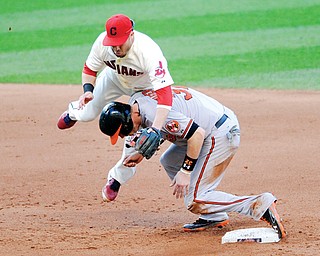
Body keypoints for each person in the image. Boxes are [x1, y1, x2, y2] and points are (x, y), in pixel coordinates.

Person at [98, 86, 286, 239]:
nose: (124, 136)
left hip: (218, 134)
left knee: (195, 199)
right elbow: (171, 126)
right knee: (169, 161)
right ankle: (214, 215)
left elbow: (196, 135)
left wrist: (186, 172)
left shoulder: (154, 113)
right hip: (211, 125)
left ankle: (260, 204)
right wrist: (140, 154)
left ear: (128, 118)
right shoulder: (137, 103)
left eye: (122, 131)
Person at [57, 14, 173, 131]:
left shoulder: (148, 51)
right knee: (87, 114)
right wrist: (88, 91)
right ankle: (72, 112)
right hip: (113, 80)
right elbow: (90, 69)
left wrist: (156, 129)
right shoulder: (102, 44)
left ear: (131, 35)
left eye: (120, 42)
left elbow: (165, 92)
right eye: (113, 42)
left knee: (137, 124)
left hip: (144, 89)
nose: (117, 47)